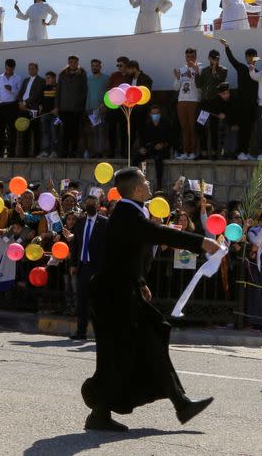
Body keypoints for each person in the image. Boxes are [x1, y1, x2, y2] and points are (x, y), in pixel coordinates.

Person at [81, 167, 218, 431]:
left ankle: (181, 403)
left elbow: (127, 255)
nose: (148, 182)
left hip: (123, 291)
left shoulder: (130, 213)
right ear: (137, 189)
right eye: (144, 180)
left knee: (148, 345)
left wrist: (140, 282)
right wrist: (202, 243)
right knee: (118, 353)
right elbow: (159, 235)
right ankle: (101, 411)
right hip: (113, 296)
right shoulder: (127, 214)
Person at [69, 194, 108, 341]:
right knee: (82, 301)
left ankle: (101, 333)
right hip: (82, 266)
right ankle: (81, 332)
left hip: (97, 268)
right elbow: (76, 244)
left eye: (93, 203)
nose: (90, 205)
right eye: (88, 202)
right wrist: (73, 264)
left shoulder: (104, 222)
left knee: (97, 302)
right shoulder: (80, 222)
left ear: (98, 205)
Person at [220, 39, 258, 160]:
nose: (251, 58)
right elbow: (232, 60)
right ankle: (240, 152)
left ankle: (246, 152)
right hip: (241, 104)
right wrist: (227, 47)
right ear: (246, 57)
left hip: (253, 105)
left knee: (249, 129)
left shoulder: (258, 73)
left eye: (254, 56)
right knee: (241, 129)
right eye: (249, 56)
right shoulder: (241, 67)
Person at [55, 56, 88, 159]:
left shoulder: (82, 74)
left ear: (78, 63)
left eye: (75, 62)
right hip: (64, 108)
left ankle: (73, 152)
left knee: (75, 132)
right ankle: (63, 153)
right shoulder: (62, 74)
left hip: (76, 109)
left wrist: (81, 104)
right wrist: (57, 106)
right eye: (71, 62)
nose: (73, 64)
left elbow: (84, 91)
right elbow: (58, 91)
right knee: (64, 132)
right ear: (68, 63)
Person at [133, 106, 171, 189]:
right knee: (136, 157)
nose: (155, 115)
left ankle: (159, 185)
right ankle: (133, 180)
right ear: (150, 114)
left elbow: (170, 140)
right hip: (150, 148)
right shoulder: (147, 125)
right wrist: (141, 148)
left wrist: (162, 145)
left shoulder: (165, 124)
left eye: (157, 113)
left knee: (158, 160)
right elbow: (143, 139)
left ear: (160, 114)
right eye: (153, 113)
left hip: (161, 149)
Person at [173, 48, 201, 159]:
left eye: (192, 56)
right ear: (185, 57)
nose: (189, 58)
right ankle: (185, 152)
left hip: (193, 100)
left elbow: (200, 86)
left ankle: (193, 152)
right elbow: (175, 88)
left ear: (195, 57)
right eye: (188, 56)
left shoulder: (200, 68)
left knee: (192, 127)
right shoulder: (181, 69)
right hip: (181, 101)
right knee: (184, 128)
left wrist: (193, 76)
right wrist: (178, 78)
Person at [0, 59, 22, 157]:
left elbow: (19, 94)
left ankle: (11, 153)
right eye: (7, 68)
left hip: (12, 106)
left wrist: (12, 89)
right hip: (1, 106)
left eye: (10, 68)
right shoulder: (0, 77)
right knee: (0, 130)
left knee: (12, 130)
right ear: (5, 67)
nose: (8, 70)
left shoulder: (18, 78)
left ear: (13, 68)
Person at [18, 62, 45, 158]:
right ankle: (25, 153)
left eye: (33, 68)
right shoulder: (25, 80)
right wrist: (20, 102)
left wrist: (25, 103)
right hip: (23, 109)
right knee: (25, 131)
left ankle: (36, 153)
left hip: (33, 108)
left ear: (37, 69)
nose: (31, 70)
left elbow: (37, 94)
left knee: (36, 131)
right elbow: (21, 92)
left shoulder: (41, 80)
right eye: (29, 68)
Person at [85, 59, 109, 158]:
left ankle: (100, 152)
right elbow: (87, 93)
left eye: (96, 65)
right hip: (91, 109)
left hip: (101, 108)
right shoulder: (88, 79)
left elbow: (109, 93)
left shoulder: (106, 78)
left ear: (100, 66)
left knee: (101, 131)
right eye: (93, 66)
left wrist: (105, 105)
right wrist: (87, 108)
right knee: (94, 132)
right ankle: (96, 152)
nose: (94, 67)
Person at [38, 71, 58, 158]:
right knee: (45, 133)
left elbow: (61, 100)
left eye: (49, 78)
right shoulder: (44, 88)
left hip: (55, 115)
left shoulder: (58, 88)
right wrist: (40, 106)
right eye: (46, 78)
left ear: (54, 78)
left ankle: (54, 152)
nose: (47, 80)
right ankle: (45, 151)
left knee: (54, 132)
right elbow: (40, 99)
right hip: (44, 114)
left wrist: (57, 108)